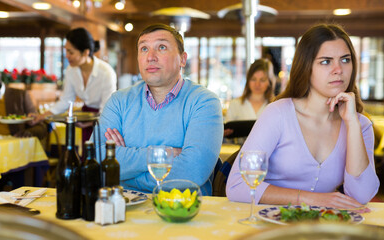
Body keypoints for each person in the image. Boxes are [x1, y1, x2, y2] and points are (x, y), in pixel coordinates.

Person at [226, 24, 380, 209]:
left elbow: (361, 196)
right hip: (267, 225)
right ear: (306, 67)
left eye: (345, 60)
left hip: (320, 230)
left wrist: (352, 123)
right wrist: (311, 199)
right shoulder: (278, 114)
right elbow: (237, 186)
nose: (338, 69)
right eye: (326, 61)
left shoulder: (360, 125)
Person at [95, 23, 223, 196]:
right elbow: (97, 161)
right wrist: (163, 154)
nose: (150, 57)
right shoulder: (118, 101)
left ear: (182, 59)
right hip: (125, 208)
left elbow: (193, 173)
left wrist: (123, 173)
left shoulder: (204, 102)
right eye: (144, 49)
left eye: (161, 47)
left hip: (183, 211)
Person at [32, 27, 117, 141]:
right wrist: (42, 116)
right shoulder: (71, 70)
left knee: (101, 154)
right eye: (66, 51)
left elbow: (107, 108)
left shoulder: (106, 72)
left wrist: (89, 123)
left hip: (105, 120)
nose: (66, 55)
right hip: (86, 117)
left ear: (86, 52)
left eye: (70, 52)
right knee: (86, 155)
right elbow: (66, 100)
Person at [224, 58, 274, 137]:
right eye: (253, 79)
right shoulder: (235, 104)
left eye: (262, 80)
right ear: (248, 80)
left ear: (269, 82)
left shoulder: (275, 106)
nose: (257, 84)